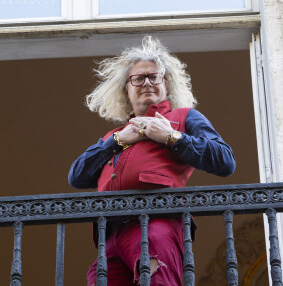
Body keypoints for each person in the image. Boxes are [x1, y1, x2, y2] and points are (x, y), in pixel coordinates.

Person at [68, 36, 235, 286]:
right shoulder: (114, 135)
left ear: (166, 85)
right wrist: (118, 141)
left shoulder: (184, 117)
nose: (147, 82)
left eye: (154, 76)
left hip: (156, 224)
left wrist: (171, 136)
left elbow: (225, 161)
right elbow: (77, 177)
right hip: (110, 237)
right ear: (126, 87)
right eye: (138, 78)